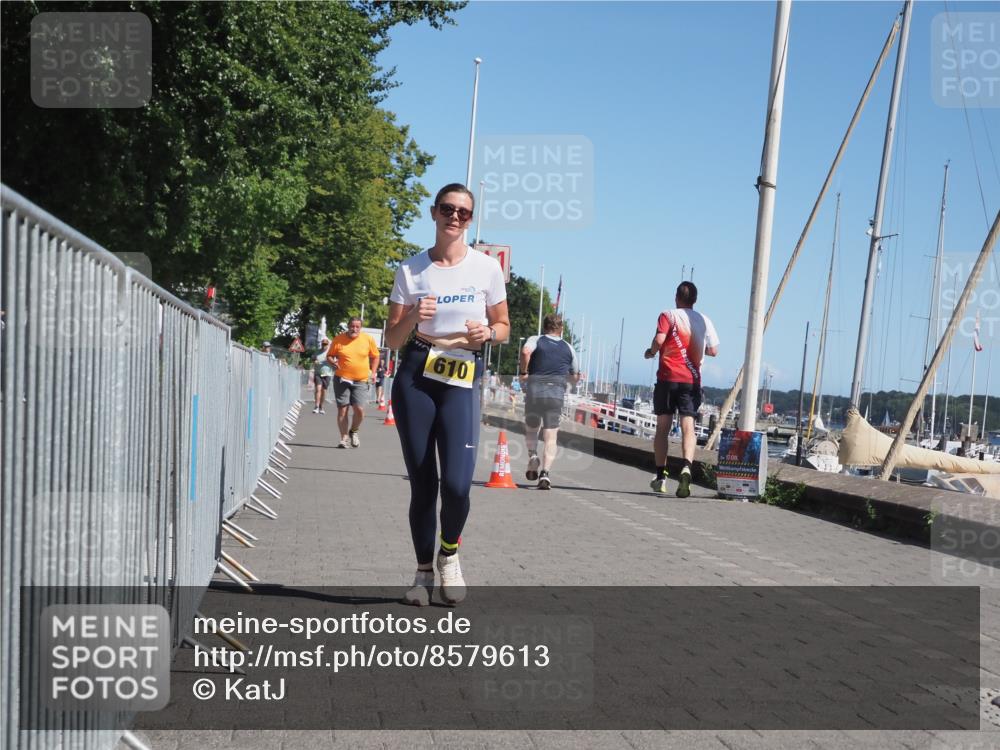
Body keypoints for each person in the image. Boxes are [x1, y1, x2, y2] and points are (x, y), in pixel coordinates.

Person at [386, 183, 509, 607]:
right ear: (434, 213)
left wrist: (487, 332)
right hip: (417, 375)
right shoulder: (411, 270)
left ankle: (449, 553)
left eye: (463, 212)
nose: (455, 217)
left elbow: (504, 327)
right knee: (424, 483)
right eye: (447, 209)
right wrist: (413, 317)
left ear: (471, 220)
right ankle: (422, 574)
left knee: (457, 485)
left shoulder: (487, 268)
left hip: (462, 375)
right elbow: (392, 339)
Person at [643, 281, 719, 497]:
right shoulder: (704, 320)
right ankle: (686, 467)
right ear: (695, 300)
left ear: (676, 297)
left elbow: (659, 339)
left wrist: (651, 352)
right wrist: (696, 348)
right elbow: (714, 350)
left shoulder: (667, 315)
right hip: (691, 381)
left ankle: (661, 476)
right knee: (688, 426)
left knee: (663, 428)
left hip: (667, 379)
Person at [519, 314, 580, 490]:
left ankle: (532, 456)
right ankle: (545, 473)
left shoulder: (536, 339)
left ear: (544, 327)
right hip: (556, 395)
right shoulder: (569, 348)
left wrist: (523, 372)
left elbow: (525, 352)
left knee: (532, 429)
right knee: (551, 437)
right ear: (561, 329)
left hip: (535, 392)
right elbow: (575, 376)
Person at [327, 319, 380, 448]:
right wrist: (332, 362)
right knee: (342, 410)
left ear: (360, 328)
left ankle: (354, 431)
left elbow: (375, 356)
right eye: (352, 326)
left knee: (359, 410)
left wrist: (373, 373)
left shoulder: (368, 339)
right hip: (342, 378)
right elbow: (330, 355)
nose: (354, 329)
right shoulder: (338, 339)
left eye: (357, 327)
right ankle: (344, 438)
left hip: (361, 380)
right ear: (348, 326)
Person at [312, 337, 332, 414]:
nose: (324, 346)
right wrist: (315, 361)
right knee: (318, 389)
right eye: (323, 344)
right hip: (318, 373)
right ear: (321, 344)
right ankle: (316, 406)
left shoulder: (330, 352)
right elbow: (313, 358)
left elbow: (335, 360)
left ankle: (321, 406)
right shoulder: (317, 352)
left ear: (328, 344)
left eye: (326, 344)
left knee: (324, 391)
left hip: (327, 373)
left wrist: (332, 362)